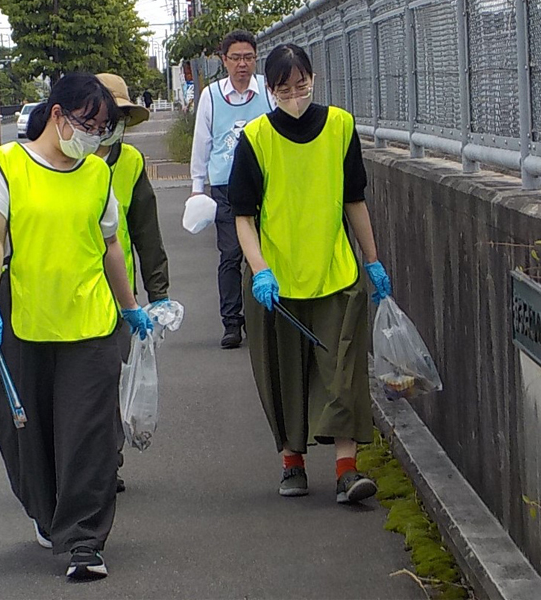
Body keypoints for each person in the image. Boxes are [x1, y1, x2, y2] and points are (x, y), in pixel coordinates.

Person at [0, 73, 153, 581]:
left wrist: (130, 307)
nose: (93, 136)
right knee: (23, 427)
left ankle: (85, 541)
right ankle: (49, 514)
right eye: (87, 123)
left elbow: (111, 243)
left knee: (89, 434)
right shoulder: (7, 167)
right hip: (26, 320)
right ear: (57, 114)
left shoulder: (96, 174)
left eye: (102, 129)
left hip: (91, 323)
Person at [228, 44, 393, 503]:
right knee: (283, 372)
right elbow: (243, 215)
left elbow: (353, 199)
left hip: (335, 272)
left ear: (314, 79)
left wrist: (372, 259)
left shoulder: (340, 127)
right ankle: (292, 463)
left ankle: (346, 469)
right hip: (276, 283)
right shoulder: (256, 137)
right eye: (284, 89)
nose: (295, 96)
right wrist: (259, 270)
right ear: (270, 89)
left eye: (301, 86)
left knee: (343, 370)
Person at [95, 72, 170, 493]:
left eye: (122, 116)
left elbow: (146, 231)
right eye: (109, 114)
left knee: (117, 375)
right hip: (69, 290)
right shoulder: (66, 159)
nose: (114, 124)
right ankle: (92, 458)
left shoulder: (132, 162)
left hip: (119, 293)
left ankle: (110, 457)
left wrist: (158, 295)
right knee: (86, 381)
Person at [190, 29, 274, 349]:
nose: (243, 64)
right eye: (236, 58)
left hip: (263, 183)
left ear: (256, 58)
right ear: (224, 60)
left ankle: (263, 317)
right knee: (231, 253)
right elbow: (203, 143)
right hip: (225, 184)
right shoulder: (211, 95)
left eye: (248, 57)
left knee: (265, 251)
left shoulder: (267, 89)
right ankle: (232, 322)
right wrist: (198, 187)